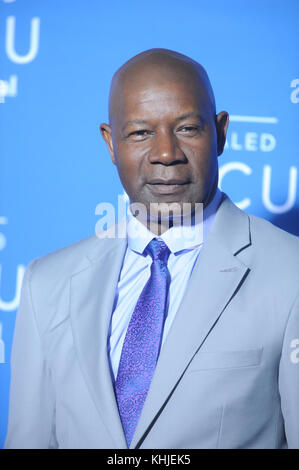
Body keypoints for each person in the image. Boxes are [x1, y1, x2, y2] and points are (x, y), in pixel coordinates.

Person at [4, 48, 299, 449]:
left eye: (188, 129)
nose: (166, 154)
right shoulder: (47, 283)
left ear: (221, 133)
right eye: (141, 133)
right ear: (111, 143)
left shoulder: (289, 273)